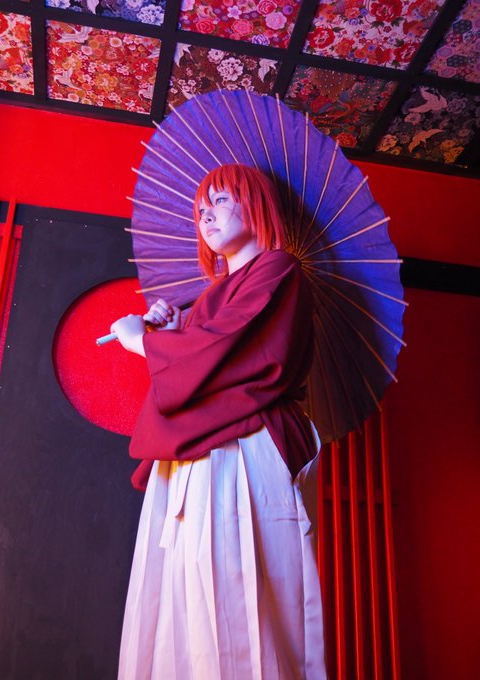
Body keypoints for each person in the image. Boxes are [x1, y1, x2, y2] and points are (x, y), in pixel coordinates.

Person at [111, 164, 327, 679]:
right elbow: (206, 354)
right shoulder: (212, 295)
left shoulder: (279, 268)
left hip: (242, 450)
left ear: (257, 206)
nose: (207, 215)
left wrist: (142, 343)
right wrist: (174, 329)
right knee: (182, 607)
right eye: (201, 209)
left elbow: (231, 355)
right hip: (197, 455)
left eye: (222, 201)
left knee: (240, 599)